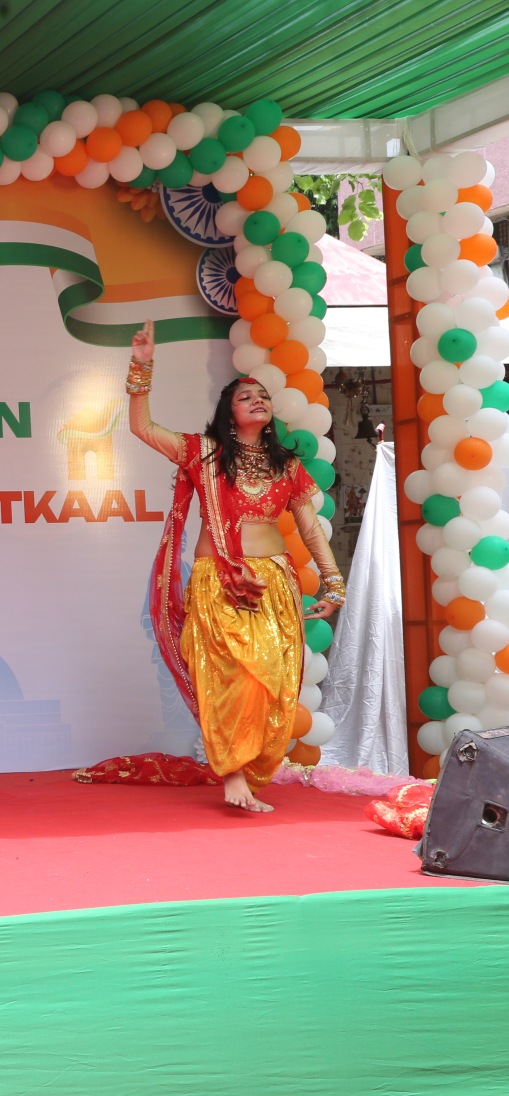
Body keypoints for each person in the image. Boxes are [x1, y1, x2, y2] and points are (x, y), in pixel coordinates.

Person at [127, 319, 343, 812]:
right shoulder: (203, 454)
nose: (257, 400)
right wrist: (142, 367)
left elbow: (311, 530)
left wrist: (334, 585)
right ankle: (233, 773)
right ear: (228, 413)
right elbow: (143, 428)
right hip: (220, 579)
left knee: (276, 680)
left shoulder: (288, 465)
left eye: (263, 396)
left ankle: (248, 768)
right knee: (231, 677)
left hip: (274, 582)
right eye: (246, 396)